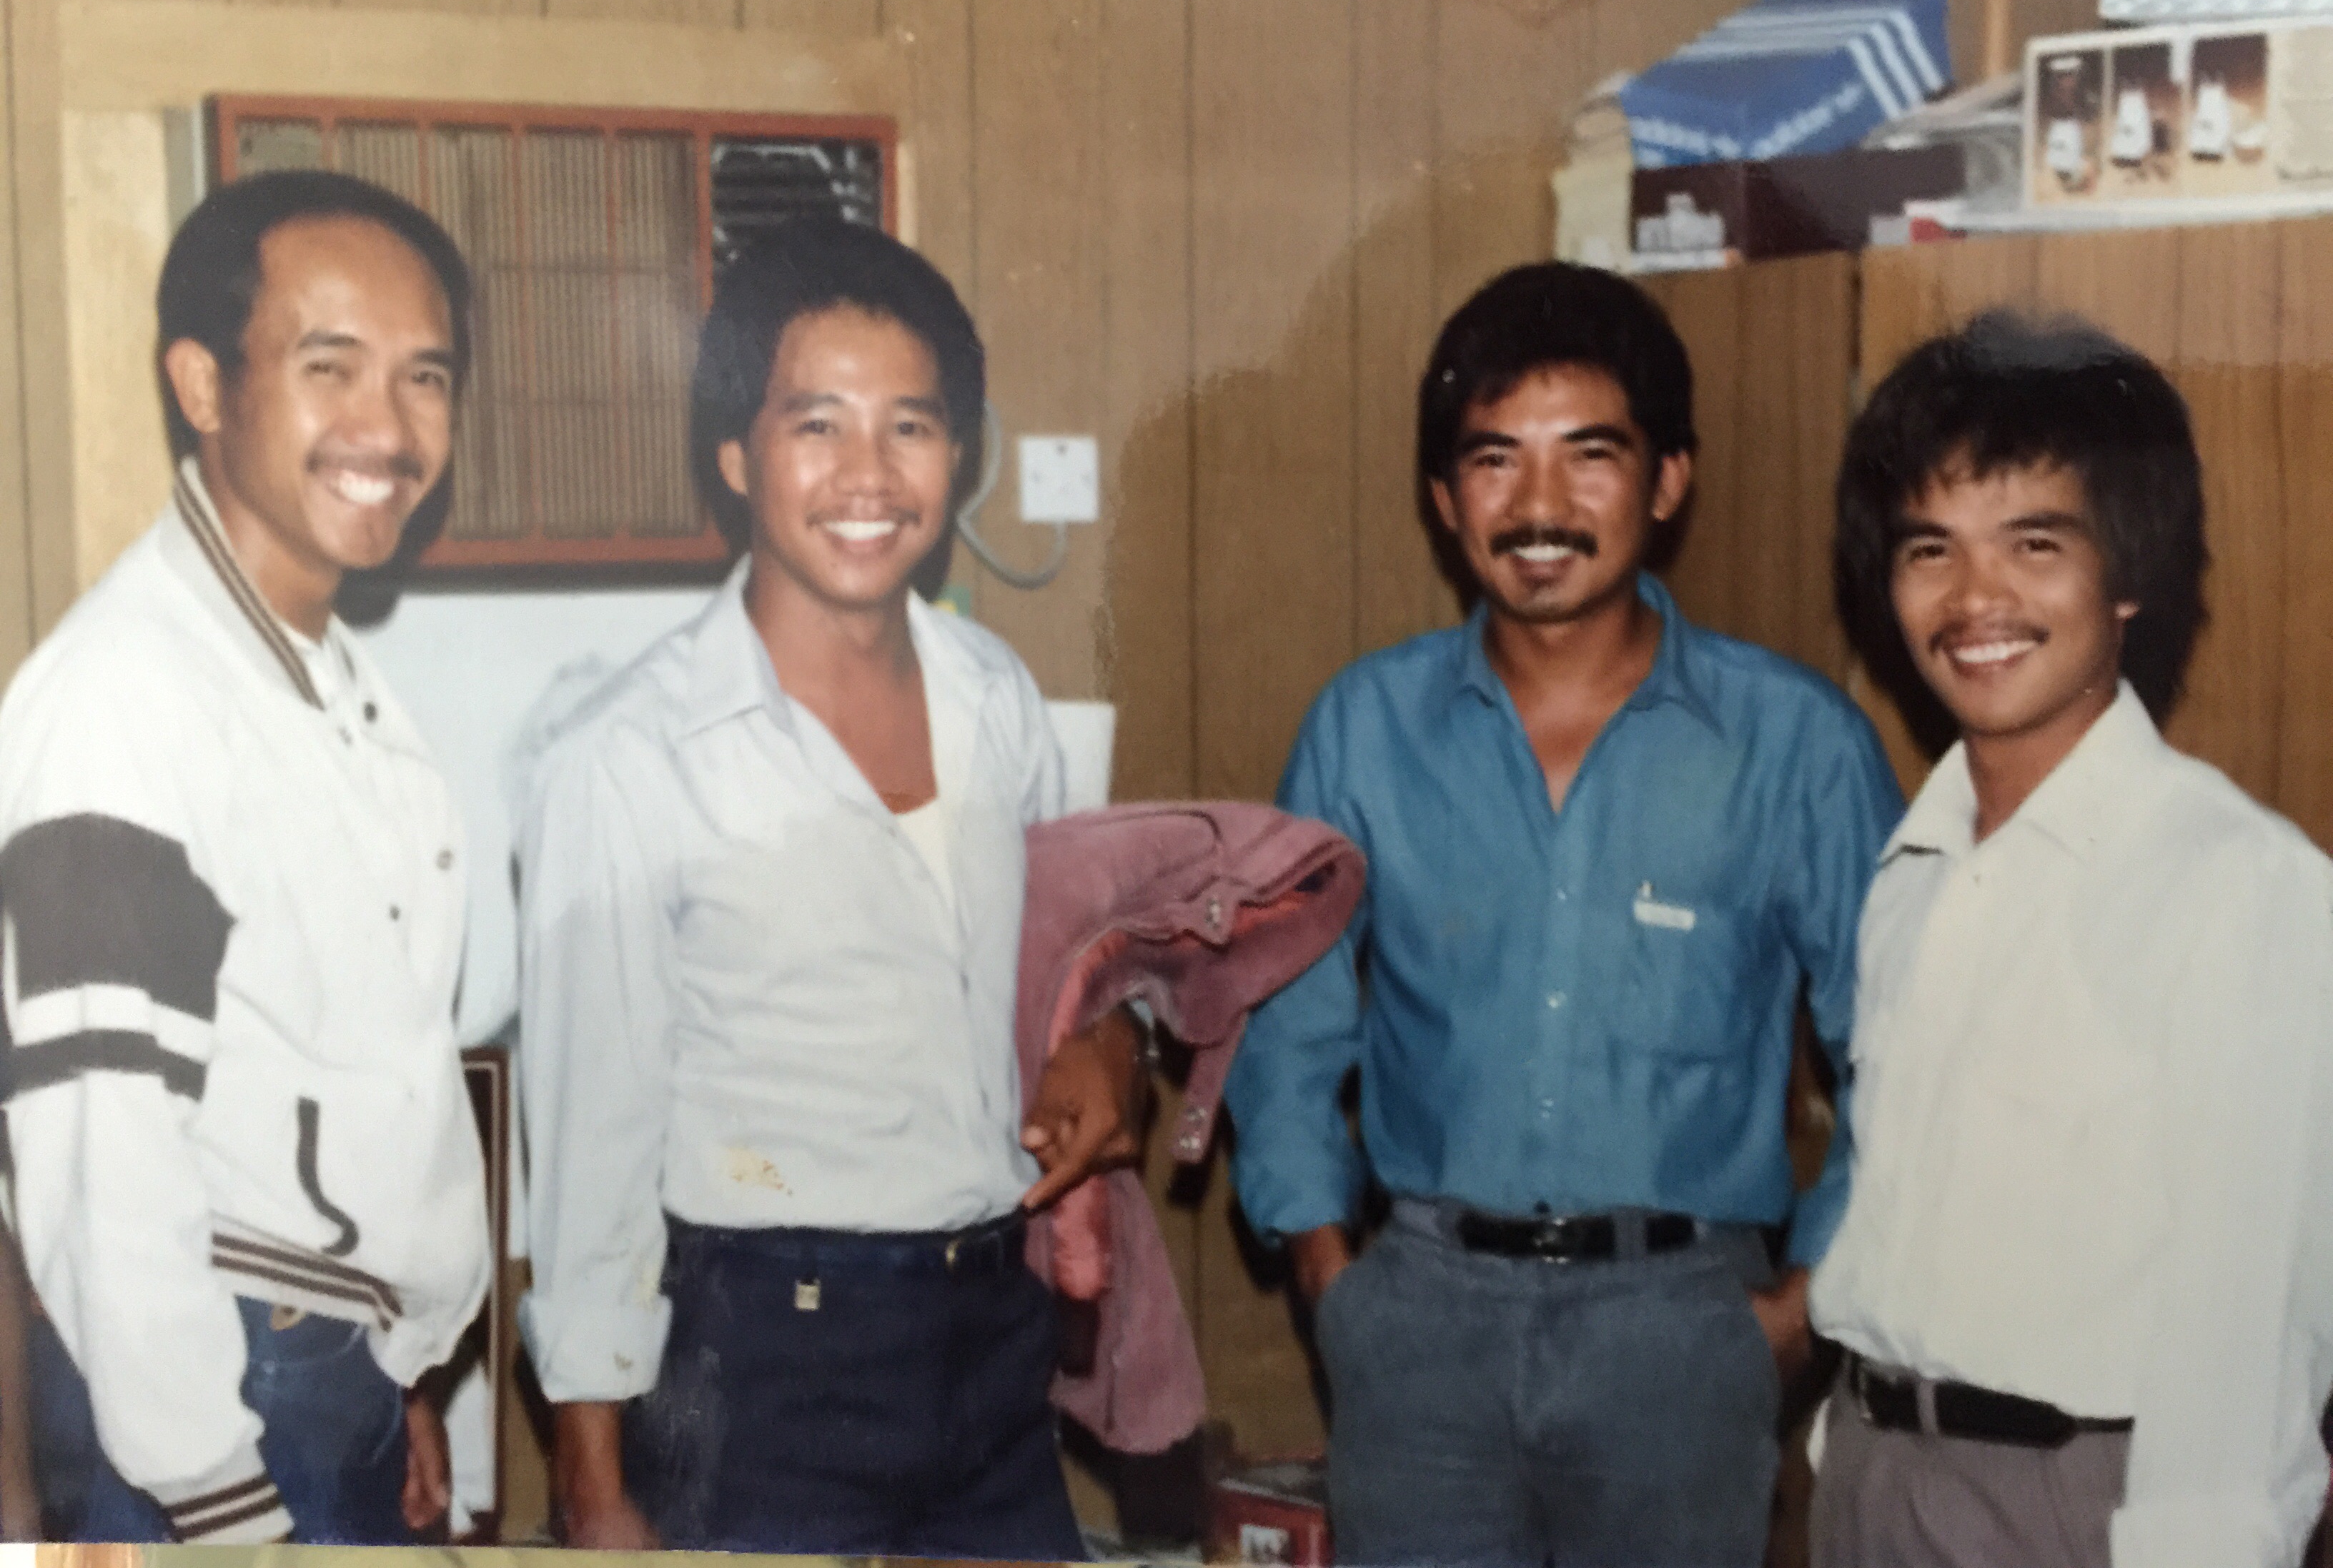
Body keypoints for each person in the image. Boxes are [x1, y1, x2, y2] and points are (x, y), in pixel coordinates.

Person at [1224, 261, 1905, 1568]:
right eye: (1495, 460)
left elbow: (1904, 1048)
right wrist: (1328, 1273)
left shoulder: (1796, 745)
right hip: (1419, 1328)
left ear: (1668, 480)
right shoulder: (1364, 729)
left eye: (1590, 455)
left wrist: (1803, 1306)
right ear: (1445, 498)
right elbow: (1286, 1030)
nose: (1539, 506)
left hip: (1683, 1335)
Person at [517, 217, 1146, 1559]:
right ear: (737, 457)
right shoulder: (630, 755)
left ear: (957, 455)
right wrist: (594, 1478)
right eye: (818, 426)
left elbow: (1078, 960)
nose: (869, 474)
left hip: (991, 1337)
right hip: (761, 1359)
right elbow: (589, 1145)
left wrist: (1114, 1042)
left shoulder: (996, 697)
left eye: (910, 427)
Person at [0, 169, 491, 1544]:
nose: (388, 427)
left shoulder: (316, 674)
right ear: (204, 386)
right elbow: (103, 1150)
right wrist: (221, 1493)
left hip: (316, 1369)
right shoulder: (125, 697)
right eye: (331, 366)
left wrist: (394, 1369)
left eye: (425, 377)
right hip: (212, 1406)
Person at [1808, 312, 2333, 1568]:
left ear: (2129, 573)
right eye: (1930, 548)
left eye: (2035, 544)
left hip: (2078, 1504)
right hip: (1871, 1479)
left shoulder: (2243, 888)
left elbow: (2249, 1328)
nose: (1975, 598)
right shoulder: (1911, 876)